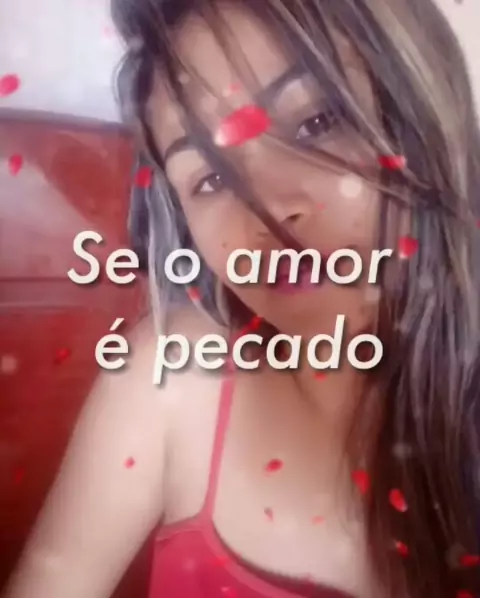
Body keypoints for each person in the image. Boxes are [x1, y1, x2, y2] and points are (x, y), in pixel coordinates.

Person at [4, 0, 480, 597]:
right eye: (210, 179)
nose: (270, 211)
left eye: (317, 121)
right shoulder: (171, 377)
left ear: (422, 104)